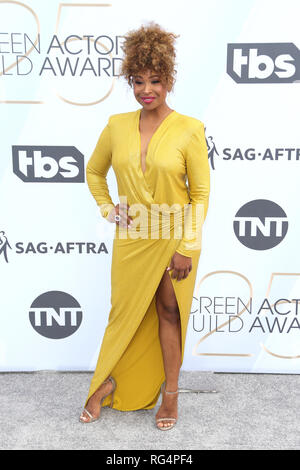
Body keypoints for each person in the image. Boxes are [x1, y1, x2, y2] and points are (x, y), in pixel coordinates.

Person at [79, 22, 210, 430]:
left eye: (155, 80)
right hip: (133, 236)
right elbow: (94, 172)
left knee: (169, 312)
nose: (146, 89)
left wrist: (187, 246)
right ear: (130, 82)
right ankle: (107, 383)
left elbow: (201, 194)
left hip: (175, 234)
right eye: (138, 81)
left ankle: (170, 397)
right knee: (125, 314)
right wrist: (108, 209)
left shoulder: (189, 128)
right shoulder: (117, 125)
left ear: (169, 79)